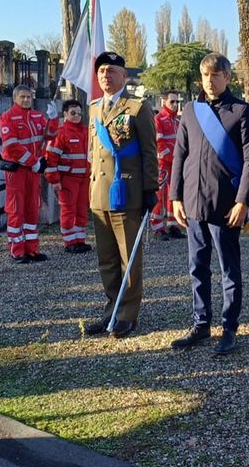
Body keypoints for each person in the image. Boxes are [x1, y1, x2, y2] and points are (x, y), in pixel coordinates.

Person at [170, 53, 249, 355]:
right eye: (206, 75)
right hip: (193, 202)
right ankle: (201, 323)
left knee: (228, 270)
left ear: (227, 77)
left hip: (225, 205)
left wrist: (243, 201)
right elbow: (180, 155)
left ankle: (229, 327)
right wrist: (175, 196)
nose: (210, 81)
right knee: (197, 266)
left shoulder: (242, 111)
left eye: (216, 75)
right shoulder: (190, 110)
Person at [83, 51, 159, 340]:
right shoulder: (93, 108)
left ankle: (127, 313)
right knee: (107, 259)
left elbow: (149, 152)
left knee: (129, 257)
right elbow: (95, 154)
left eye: (112, 71)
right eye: (102, 71)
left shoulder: (138, 108)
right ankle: (111, 310)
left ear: (124, 76)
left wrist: (150, 189)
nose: (106, 75)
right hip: (100, 193)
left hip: (127, 192)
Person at [0, 84, 57, 263]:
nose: (26, 100)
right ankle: (16, 251)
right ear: (15, 98)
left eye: (29, 97)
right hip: (17, 171)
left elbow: (50, 135)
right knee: (16, 210)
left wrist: (54, 119)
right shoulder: (7, 117)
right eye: (22, 97)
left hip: (33, 171)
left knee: (32, 209)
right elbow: (12, 146)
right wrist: (33, 162)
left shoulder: (37, 116)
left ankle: (32, 249)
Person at [45, 99, 91, 253]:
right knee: (68, 210)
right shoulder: (60, 133)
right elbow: (51, 158)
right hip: (67, 179)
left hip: (85, 179)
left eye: (79, 113)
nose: (76, 116)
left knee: (82, 210)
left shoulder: (87, 131)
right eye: (73, 113)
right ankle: (70, 242)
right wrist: (54, 180)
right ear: (65, 114)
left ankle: (80, 240)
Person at [151, 90, 185, 241]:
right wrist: (172, 158)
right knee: (160, 196)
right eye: (172, 101)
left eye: (177, 102)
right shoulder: (158, 119)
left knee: (174, 194)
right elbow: (159, 143)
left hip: (175, 164)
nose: (175, 104)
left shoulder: (177, 121)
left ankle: (173, 226)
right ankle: (158, 228)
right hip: (163, 164)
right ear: (163, 102)